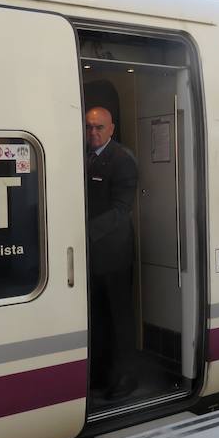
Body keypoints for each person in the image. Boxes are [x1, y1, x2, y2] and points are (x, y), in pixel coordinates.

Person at [85, 105, 139, 399]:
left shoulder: (122, 160)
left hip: (115, 254)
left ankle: (127, 377)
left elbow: (121, 210)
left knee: (120, 318)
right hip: (93, 255)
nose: (93, 132)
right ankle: (102, 373)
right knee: (98, 317)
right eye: (89, 127)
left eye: (99, 127)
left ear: (112, 129)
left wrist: (84, 232)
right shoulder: (87, 158)